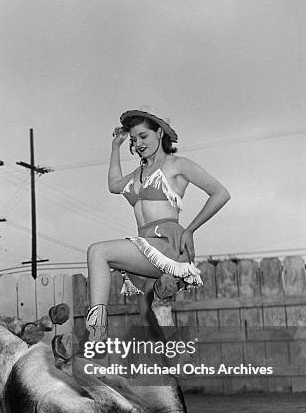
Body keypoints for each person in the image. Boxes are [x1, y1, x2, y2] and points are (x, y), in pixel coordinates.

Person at [53, 109, 230, 362]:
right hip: (146, 247)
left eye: (143, 136)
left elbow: (220, 193)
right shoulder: (138, 174)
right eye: (134, 140)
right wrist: (116, 146)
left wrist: (191, 229)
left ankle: (97, 336)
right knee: (151, 316)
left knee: (98, 251)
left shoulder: (176, 165)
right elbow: (114, 185)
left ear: (159, 132)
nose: (138, 144)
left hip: (167, 243)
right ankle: (170, 357)